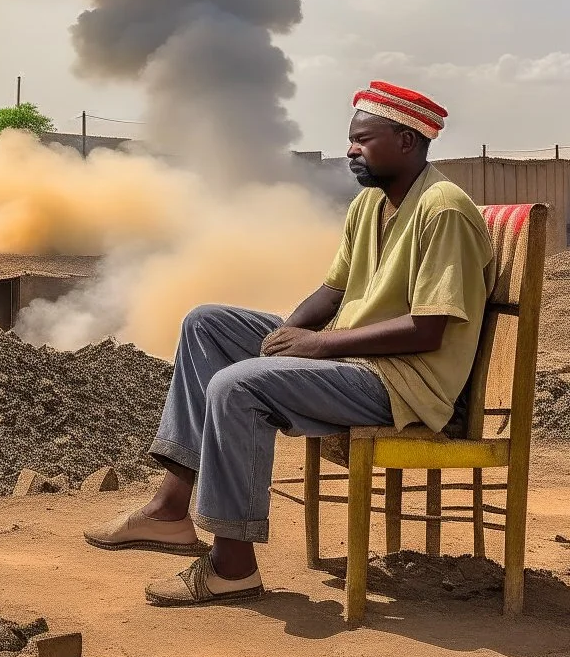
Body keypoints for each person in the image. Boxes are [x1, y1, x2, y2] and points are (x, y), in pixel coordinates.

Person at [85, 81, 495, 606]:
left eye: (363, 140)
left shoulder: (444, 210)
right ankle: (169, 512)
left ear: (406, 141)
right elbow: (334, 289)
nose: (350, 151)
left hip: (401, 383)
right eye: (351, 140)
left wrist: (319, 347)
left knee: (236, 388)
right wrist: (285, 338)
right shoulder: (371, 204)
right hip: (358, 359)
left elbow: (428, 330)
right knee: (205, 324)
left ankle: (232, 567)